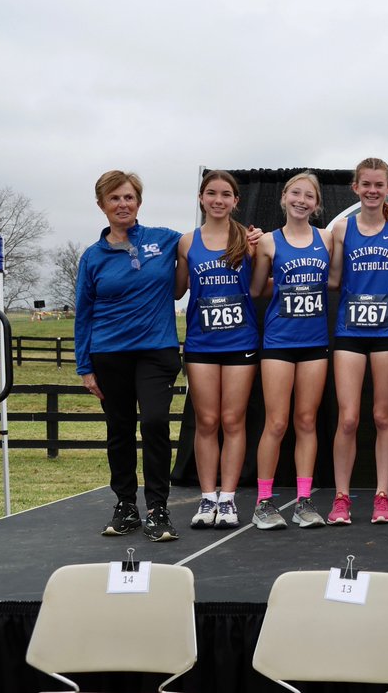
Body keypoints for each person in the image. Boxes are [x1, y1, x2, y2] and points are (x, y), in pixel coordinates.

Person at [77, 171, 183, 541]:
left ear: (139, 201)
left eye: (129, 197)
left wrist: (252, 237)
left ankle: (158, 508)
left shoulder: (166, 240)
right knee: (119, 430)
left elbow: (208, 243)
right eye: (114, 199)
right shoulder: (92, 257)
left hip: (156, 351)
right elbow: (83, 313)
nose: (122, 204)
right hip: (108, 355)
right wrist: (85, 367)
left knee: (154, 422)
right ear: (101, 205)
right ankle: (125, 505)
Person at [325, 158, 388, 526]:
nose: (373, 191)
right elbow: (333, 279)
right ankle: (342, 497)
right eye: (366, 185)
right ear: (355, 188)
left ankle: (382, 496)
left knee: (382, 416)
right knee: (348, 418)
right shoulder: (342, 230)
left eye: (379, 185)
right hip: (349, 332)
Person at [174, 170, 259, 530]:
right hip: (201, 343)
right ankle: (207, 497)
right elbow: (178, 291)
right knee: (206, 422)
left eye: (226, 194)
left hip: (240, 341)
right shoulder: (186, 242)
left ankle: (228, 499)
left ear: (235, 201)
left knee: (232, 420)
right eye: (212, 193)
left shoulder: (250, 239)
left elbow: (259, 289)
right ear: (201, 198)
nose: (219, 199)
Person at [249, 172, 332, 530]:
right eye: (295, 193)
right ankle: (264, 502)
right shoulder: (267, 242)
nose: (301, 200)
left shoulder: (328, 239)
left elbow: (337, 280)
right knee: (277, 422)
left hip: (315, 343)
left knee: (307, 421)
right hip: (279, 342)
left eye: (309, 196)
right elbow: (256, 289)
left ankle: (304, 500)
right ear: (284, 197)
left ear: (316, 204)